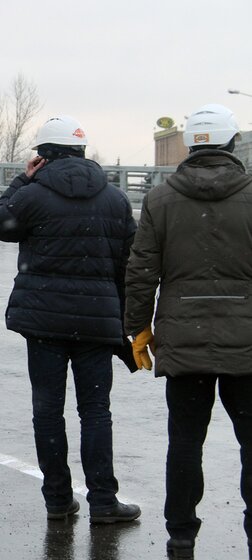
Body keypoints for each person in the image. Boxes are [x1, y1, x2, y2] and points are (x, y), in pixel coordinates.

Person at [0, 115, 140, 523]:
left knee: (48, 411)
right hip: (96, 323)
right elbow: (129, 264)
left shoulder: (34, 195)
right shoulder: (115, 199)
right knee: (96, 411)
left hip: (44, 324)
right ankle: (103, 502)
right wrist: (123, 321)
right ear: (83, 153)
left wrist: (21, 181)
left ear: (42, 156)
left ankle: (57, 500)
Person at [124, 103, 252, 560]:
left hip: (182, 336)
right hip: (247, 343)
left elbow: (141, 270)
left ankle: (180, 537)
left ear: (190, 146)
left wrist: (136, 328)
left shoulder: (160, 199)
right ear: (233, 142)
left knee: (184, 443)